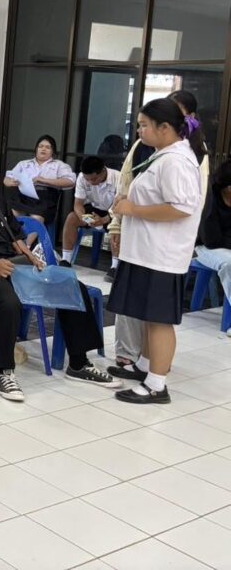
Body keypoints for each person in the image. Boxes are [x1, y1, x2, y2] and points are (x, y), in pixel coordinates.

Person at [0, 147, 120, 402]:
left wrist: (28, 254)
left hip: (10, 264)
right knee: (6, 300)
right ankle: (5, 372)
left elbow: (15, 233)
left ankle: (79, 363)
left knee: (71, 284)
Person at [109, 99, 205, 404]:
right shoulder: (164, 155)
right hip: (147, 252)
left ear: (164, 127)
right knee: (149, 317)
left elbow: (181, 208)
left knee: (159, 320)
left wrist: (133, 209)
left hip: (161, 256)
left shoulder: (176, 161)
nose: (139, 130)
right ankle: (145, 366)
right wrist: (129, 201)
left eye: (144, 125)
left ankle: (156, 385)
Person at [59, 156, 119, 269]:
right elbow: (78, 204)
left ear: (103, 171)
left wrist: (103, 220)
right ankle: (66, 259)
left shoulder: (118, 178)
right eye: (88, 180)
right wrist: (86, 218)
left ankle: (115, 267)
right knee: (72, 218)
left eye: (94, 179)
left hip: (114, 212)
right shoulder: (82, 177)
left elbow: (120, 207)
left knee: (118, 226)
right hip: (94, 209)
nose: (90, 182)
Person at [3, 134, 75, 226]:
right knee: (13, 214)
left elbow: (70, 181)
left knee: (36, 218)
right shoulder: (24, 164)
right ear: (36, 149)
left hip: (45, 197)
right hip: (24, 195)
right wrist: (10, 182)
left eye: (48, 147)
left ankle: (29, 236)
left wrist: (44, 180)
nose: (43, 149)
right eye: (40, 146)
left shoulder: (59, 165)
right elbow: (7, 177)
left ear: (53, 151)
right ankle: (16, 235)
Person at [194, 160, 231, 336]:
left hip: (225, 246)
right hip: (205, 248)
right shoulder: (209, 198)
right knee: (229, 264)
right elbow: (210, 239)